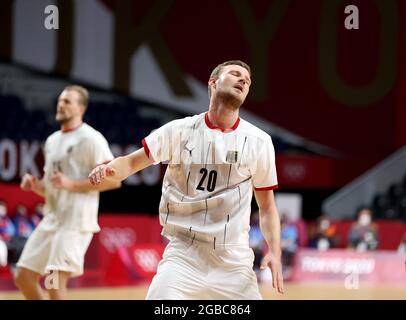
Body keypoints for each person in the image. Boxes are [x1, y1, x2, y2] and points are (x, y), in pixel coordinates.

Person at [89, 60, 284, 299]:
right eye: (235, 74)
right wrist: (110, 169)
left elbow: (267, 207)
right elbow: (130, 163)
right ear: (213, 83)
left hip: (233, 260)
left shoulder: (259, 141)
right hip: (184, 254)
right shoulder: (178, 130)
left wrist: (274, 251)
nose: (243, 80)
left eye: (247, 79)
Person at [15, 85, 120, 300]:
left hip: (75, 222)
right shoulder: (52, 140)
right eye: (60, 100)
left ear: (81, 109)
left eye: (67, 102)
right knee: (23, 276)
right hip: (52, 219)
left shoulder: (92, 139)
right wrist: (36, 186)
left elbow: (113, 180)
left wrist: (72, 184)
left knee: (53, 281)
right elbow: (52, 188)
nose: (60, 105)